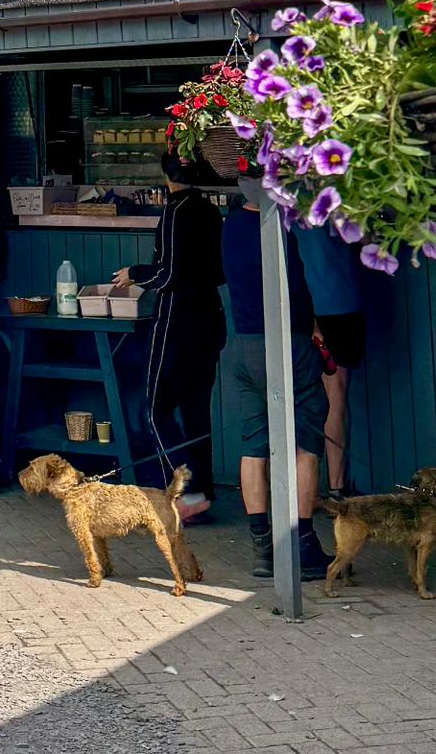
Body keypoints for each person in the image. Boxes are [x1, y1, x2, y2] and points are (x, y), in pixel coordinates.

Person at [221, 178, 333, 580]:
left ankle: (262, 548)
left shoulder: (230, 225)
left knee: (254, 445)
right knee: (306, 442)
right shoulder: (287, 226)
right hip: (290, 342)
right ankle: (302, 543)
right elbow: (307, 285)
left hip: (245, 344)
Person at [113, 153, 226, 521]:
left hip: (177, 322)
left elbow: (168, 274)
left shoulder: (176, 212)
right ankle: (203, 491)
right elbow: (217, 271)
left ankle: (187, 490)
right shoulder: (210, 212)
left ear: (166, 176)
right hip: (209, 318)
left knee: (155, 406)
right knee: (196, 411)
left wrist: (135, 272)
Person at [294, 224, 367, 499]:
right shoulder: (338, 195)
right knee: (335, 398)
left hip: (302, 305)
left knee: (303, 398)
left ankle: (303, 490)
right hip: (339, 302)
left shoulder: (286, 197)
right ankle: (337, 488)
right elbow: (366, 236)